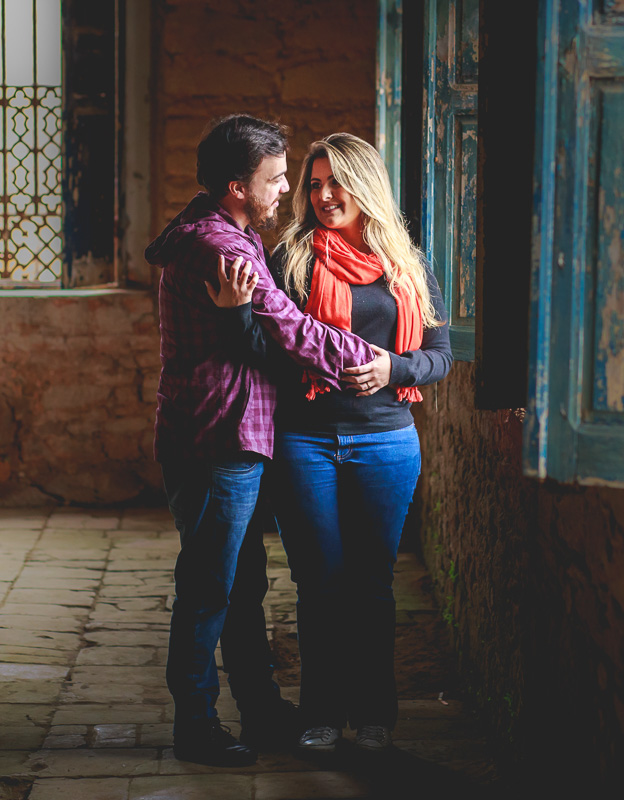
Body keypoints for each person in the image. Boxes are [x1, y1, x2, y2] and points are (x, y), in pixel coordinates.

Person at [143, 115, 378, 767]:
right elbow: (292, 332)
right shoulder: (221, 247)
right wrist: (382, 359)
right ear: (236, 186)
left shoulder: (219, 229)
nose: (287, 190)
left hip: (220, 434)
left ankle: (262, 710)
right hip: (220, 437)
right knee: (210, 587)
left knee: (240, 584)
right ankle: (196, 724)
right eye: (275, 179)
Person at [223, 132, 452, 754]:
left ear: (365, 185)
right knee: (319, 583)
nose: (324, 195)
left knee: (374, 584)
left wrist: (391, 370)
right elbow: (262, 350)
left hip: (386, 441)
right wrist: (235, 311)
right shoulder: (290, 260)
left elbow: (438, 357)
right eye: (314, 184)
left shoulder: (407, 263)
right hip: (307, 442)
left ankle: (375, 713)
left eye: (336, 182)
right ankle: (321, 711)